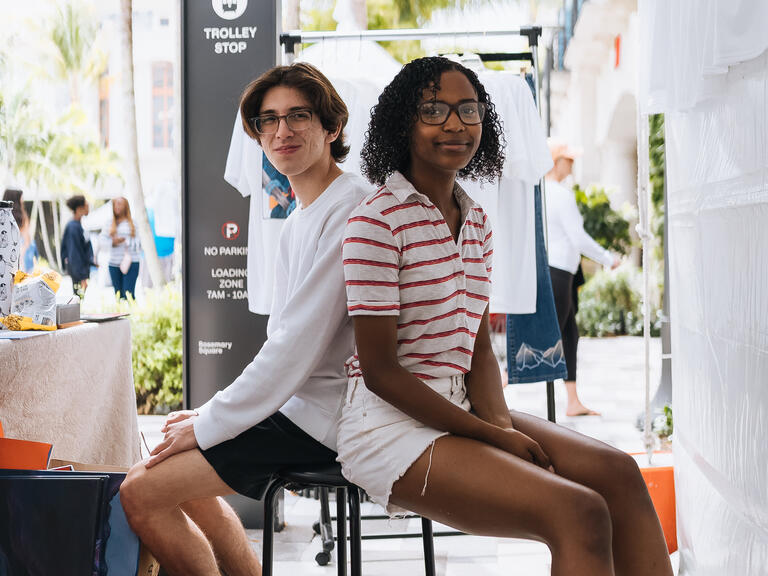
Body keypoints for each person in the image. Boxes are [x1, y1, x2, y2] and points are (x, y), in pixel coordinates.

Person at [337, 57, 672, 576]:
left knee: (620, 473)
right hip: (389, 427)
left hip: (462, 407)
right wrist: (494, 437)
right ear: (404, 122)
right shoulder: (375, 222)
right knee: (581, 513)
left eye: (468, 110)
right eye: (434, 110)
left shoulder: (476, 221)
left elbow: (474, 346)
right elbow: (381, 373)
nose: (455, 124)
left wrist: (495, 424)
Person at [120, 62, 368, 576]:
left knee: (140, 493)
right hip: (300, 404)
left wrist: (210, 421)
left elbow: (295, 350)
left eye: (299, 116)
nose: (282, 131)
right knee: (168, 471)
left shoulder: (351, 210)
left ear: (332, 126)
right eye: (267, 120)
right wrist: (212, 417)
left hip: (327, 417)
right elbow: (284, 341)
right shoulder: (301, 216)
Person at [545, 141, 620, 416]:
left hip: (559, 271)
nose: (572, 165)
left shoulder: (543, 193)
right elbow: (578, 238)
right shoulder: (560, 195)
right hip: (559, 272)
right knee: (553, 335)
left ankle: (573, 401)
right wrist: (608, 258)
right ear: (555, 161)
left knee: (568, 334)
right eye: (568, 159)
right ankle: (502, 382)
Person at [103, 196, 141, 299]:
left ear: (126, 206)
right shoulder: (108, 223)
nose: (117, 206)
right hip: (114, 263)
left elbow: (139, 243)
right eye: (115, 204)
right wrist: (113, 242)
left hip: (131, 262)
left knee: (128, 294)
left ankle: (134, 314)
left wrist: (125, 241)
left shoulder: (133, 223)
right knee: (118, 295)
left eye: (120, 203)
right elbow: (102, 242)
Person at [61, 194, 93, 299]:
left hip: (80, 270)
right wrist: (82, 276)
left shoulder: (78, 225)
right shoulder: (73, 227)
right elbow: (74, 254)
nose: (89, 207)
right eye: (86, 205)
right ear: (79, 208)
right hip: (77, 272)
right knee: (78, 299)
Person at [2, 189, 38, 272]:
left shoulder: (2, 217)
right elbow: (27, 241)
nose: (22, 202)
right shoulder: (22, 218)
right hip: (18, 257)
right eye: (21, 200)